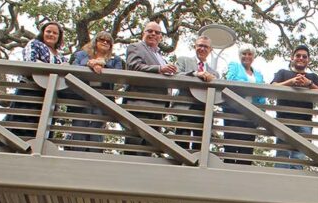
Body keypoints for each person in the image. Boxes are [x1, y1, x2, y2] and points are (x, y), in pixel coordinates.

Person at [4, 21, 67, 140]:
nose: (51, 34)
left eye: (55, 33)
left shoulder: (61, 56)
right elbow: (30, 63)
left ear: (59, 37)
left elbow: (65, 74)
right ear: (43, 32)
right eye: (48, 31)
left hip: (49, 94)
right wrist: (55, 70)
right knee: (20, 122)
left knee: (43, 125)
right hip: (30, 89)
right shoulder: (35, 44)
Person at [124, 21, 178, 156]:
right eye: (150, 31)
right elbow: (134, 66)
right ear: (144, 33)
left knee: (149, 149)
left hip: (158, 108)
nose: (153, 34)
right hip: (140, 105)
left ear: (161, 37)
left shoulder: (160, 56)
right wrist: (159, 69)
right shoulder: (135, 47)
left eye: (157, 32)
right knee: (134, 147)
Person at [68, 31, 124, 152]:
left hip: (102, 100)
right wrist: (90, 64)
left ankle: (93, 159)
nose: (105, 42)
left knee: (96, 133)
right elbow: (74, 68)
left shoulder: (115, 59)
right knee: (79, 130)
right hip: (82, 98)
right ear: (95, 42)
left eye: (108, 42)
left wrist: (102, 64)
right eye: (102, 40)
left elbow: (119, 74)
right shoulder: (81, 55)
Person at [271, 44, 318, 169]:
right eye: (298, 55)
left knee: (299, 157)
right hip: (283, 120)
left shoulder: (313, 77)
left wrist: (309, 83)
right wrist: (291, 82)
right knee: (282, 155)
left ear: (308, 60)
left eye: (304, 56)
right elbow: (272, 87)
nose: (301, 58)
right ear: (292, 58)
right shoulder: (283, 73)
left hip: (304, 122)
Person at [174, 36, 219, 150]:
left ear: (210, 50)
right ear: (195, 46)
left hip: (204, 111)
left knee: (200, 145)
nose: (202, 49)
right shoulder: (183, 60)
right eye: (200, 45)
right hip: (185, 107)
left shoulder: (214, 73)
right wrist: (195, 74)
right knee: (181, 142)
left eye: (206, 46)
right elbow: (176, 76)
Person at [223, 44, 265, 165]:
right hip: (234, 111)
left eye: (250, 54)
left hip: (251, 113)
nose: (247, 56)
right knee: (231, 144)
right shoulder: (234, 66)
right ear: (239, 55)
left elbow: (262, 93)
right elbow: (231, 80)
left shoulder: (258, 74)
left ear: (253, 57)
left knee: (247, 148)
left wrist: (261, 113)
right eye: (244, 54)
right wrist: (250, 87)